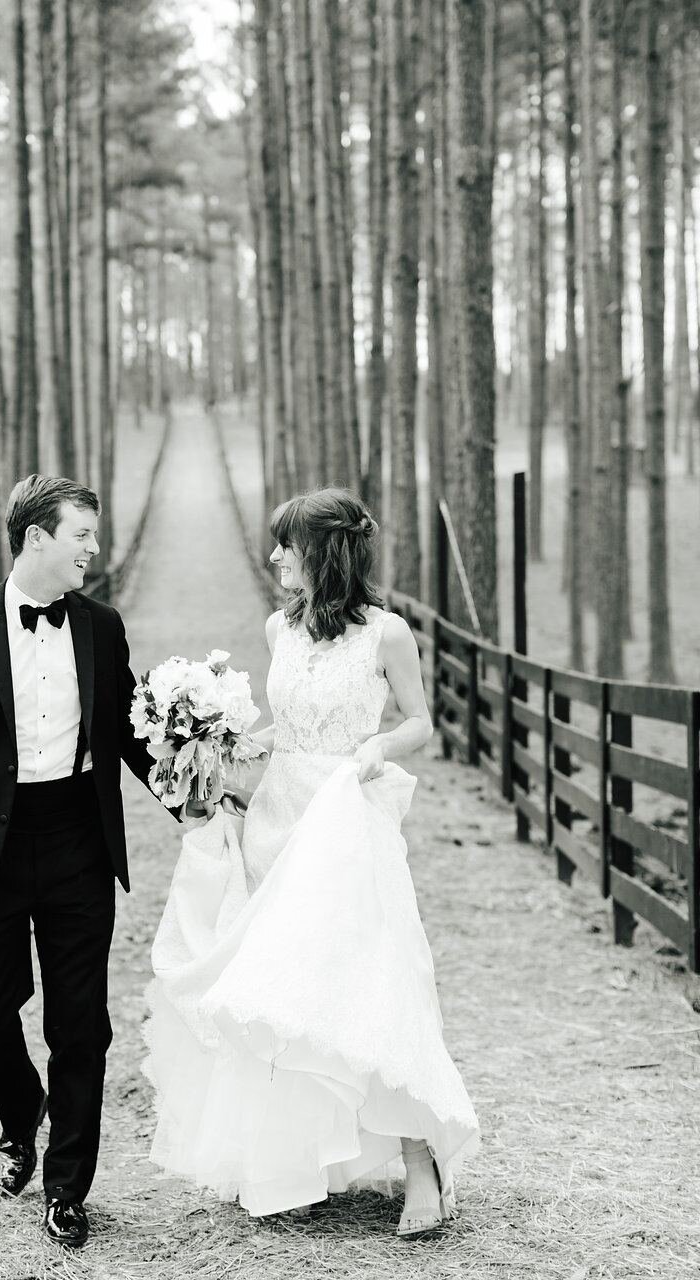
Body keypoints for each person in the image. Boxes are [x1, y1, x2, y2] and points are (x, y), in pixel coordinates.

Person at [144, 486, 480, 1234]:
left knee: (369, 980)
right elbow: (283, 729)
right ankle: (292, 1157)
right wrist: (219, 744)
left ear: (323, 553)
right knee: (282, 987)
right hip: (279, 819)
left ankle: (420, 1162)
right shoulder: (277, 628)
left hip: (347, 819)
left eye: (285, 547)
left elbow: (421, 722)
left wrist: (378, 747)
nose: (273, 559)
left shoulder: (388, 635)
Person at [0, 475, 186, 1249]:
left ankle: (66, 1187)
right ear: (37, 539)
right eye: (83, 534)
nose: (95, 547)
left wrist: (187, 793)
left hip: (78, 841)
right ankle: (24, 1115)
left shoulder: (103, 627)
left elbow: (126, 733)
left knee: (81, 1025)